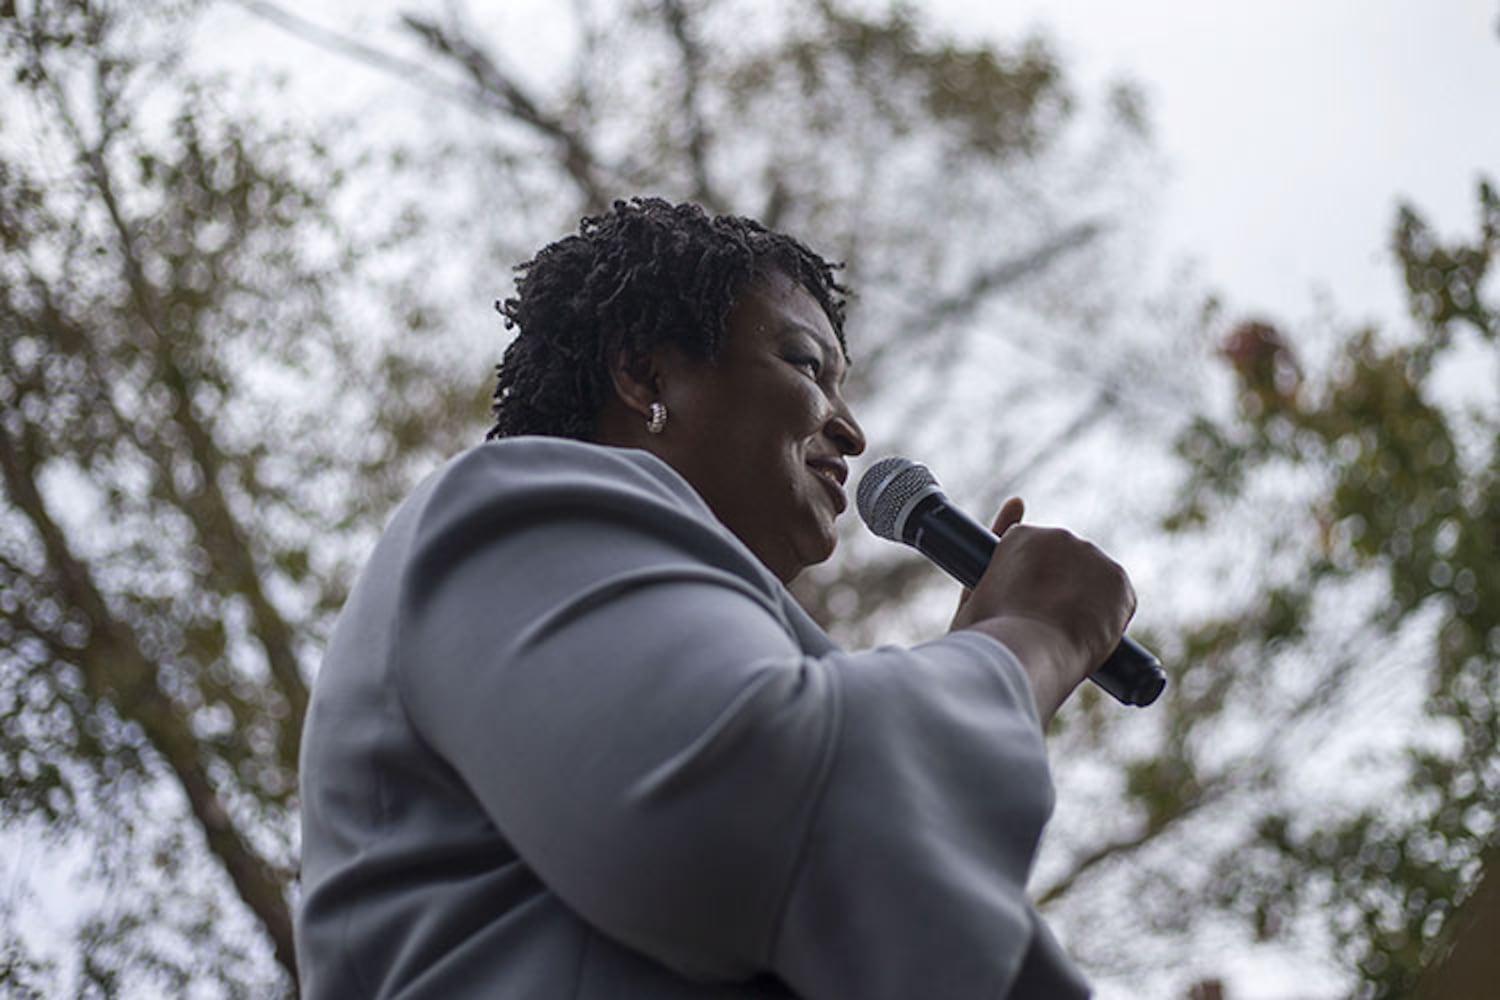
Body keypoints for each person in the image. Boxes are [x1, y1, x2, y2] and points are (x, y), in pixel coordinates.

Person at [294, 197, 1136, 998]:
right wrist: (1032, 636)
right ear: (644, 372)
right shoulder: (503, 508)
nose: (851, 430)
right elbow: (766, 806)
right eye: (809, 366)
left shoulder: (732, 649)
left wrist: (963, 690)